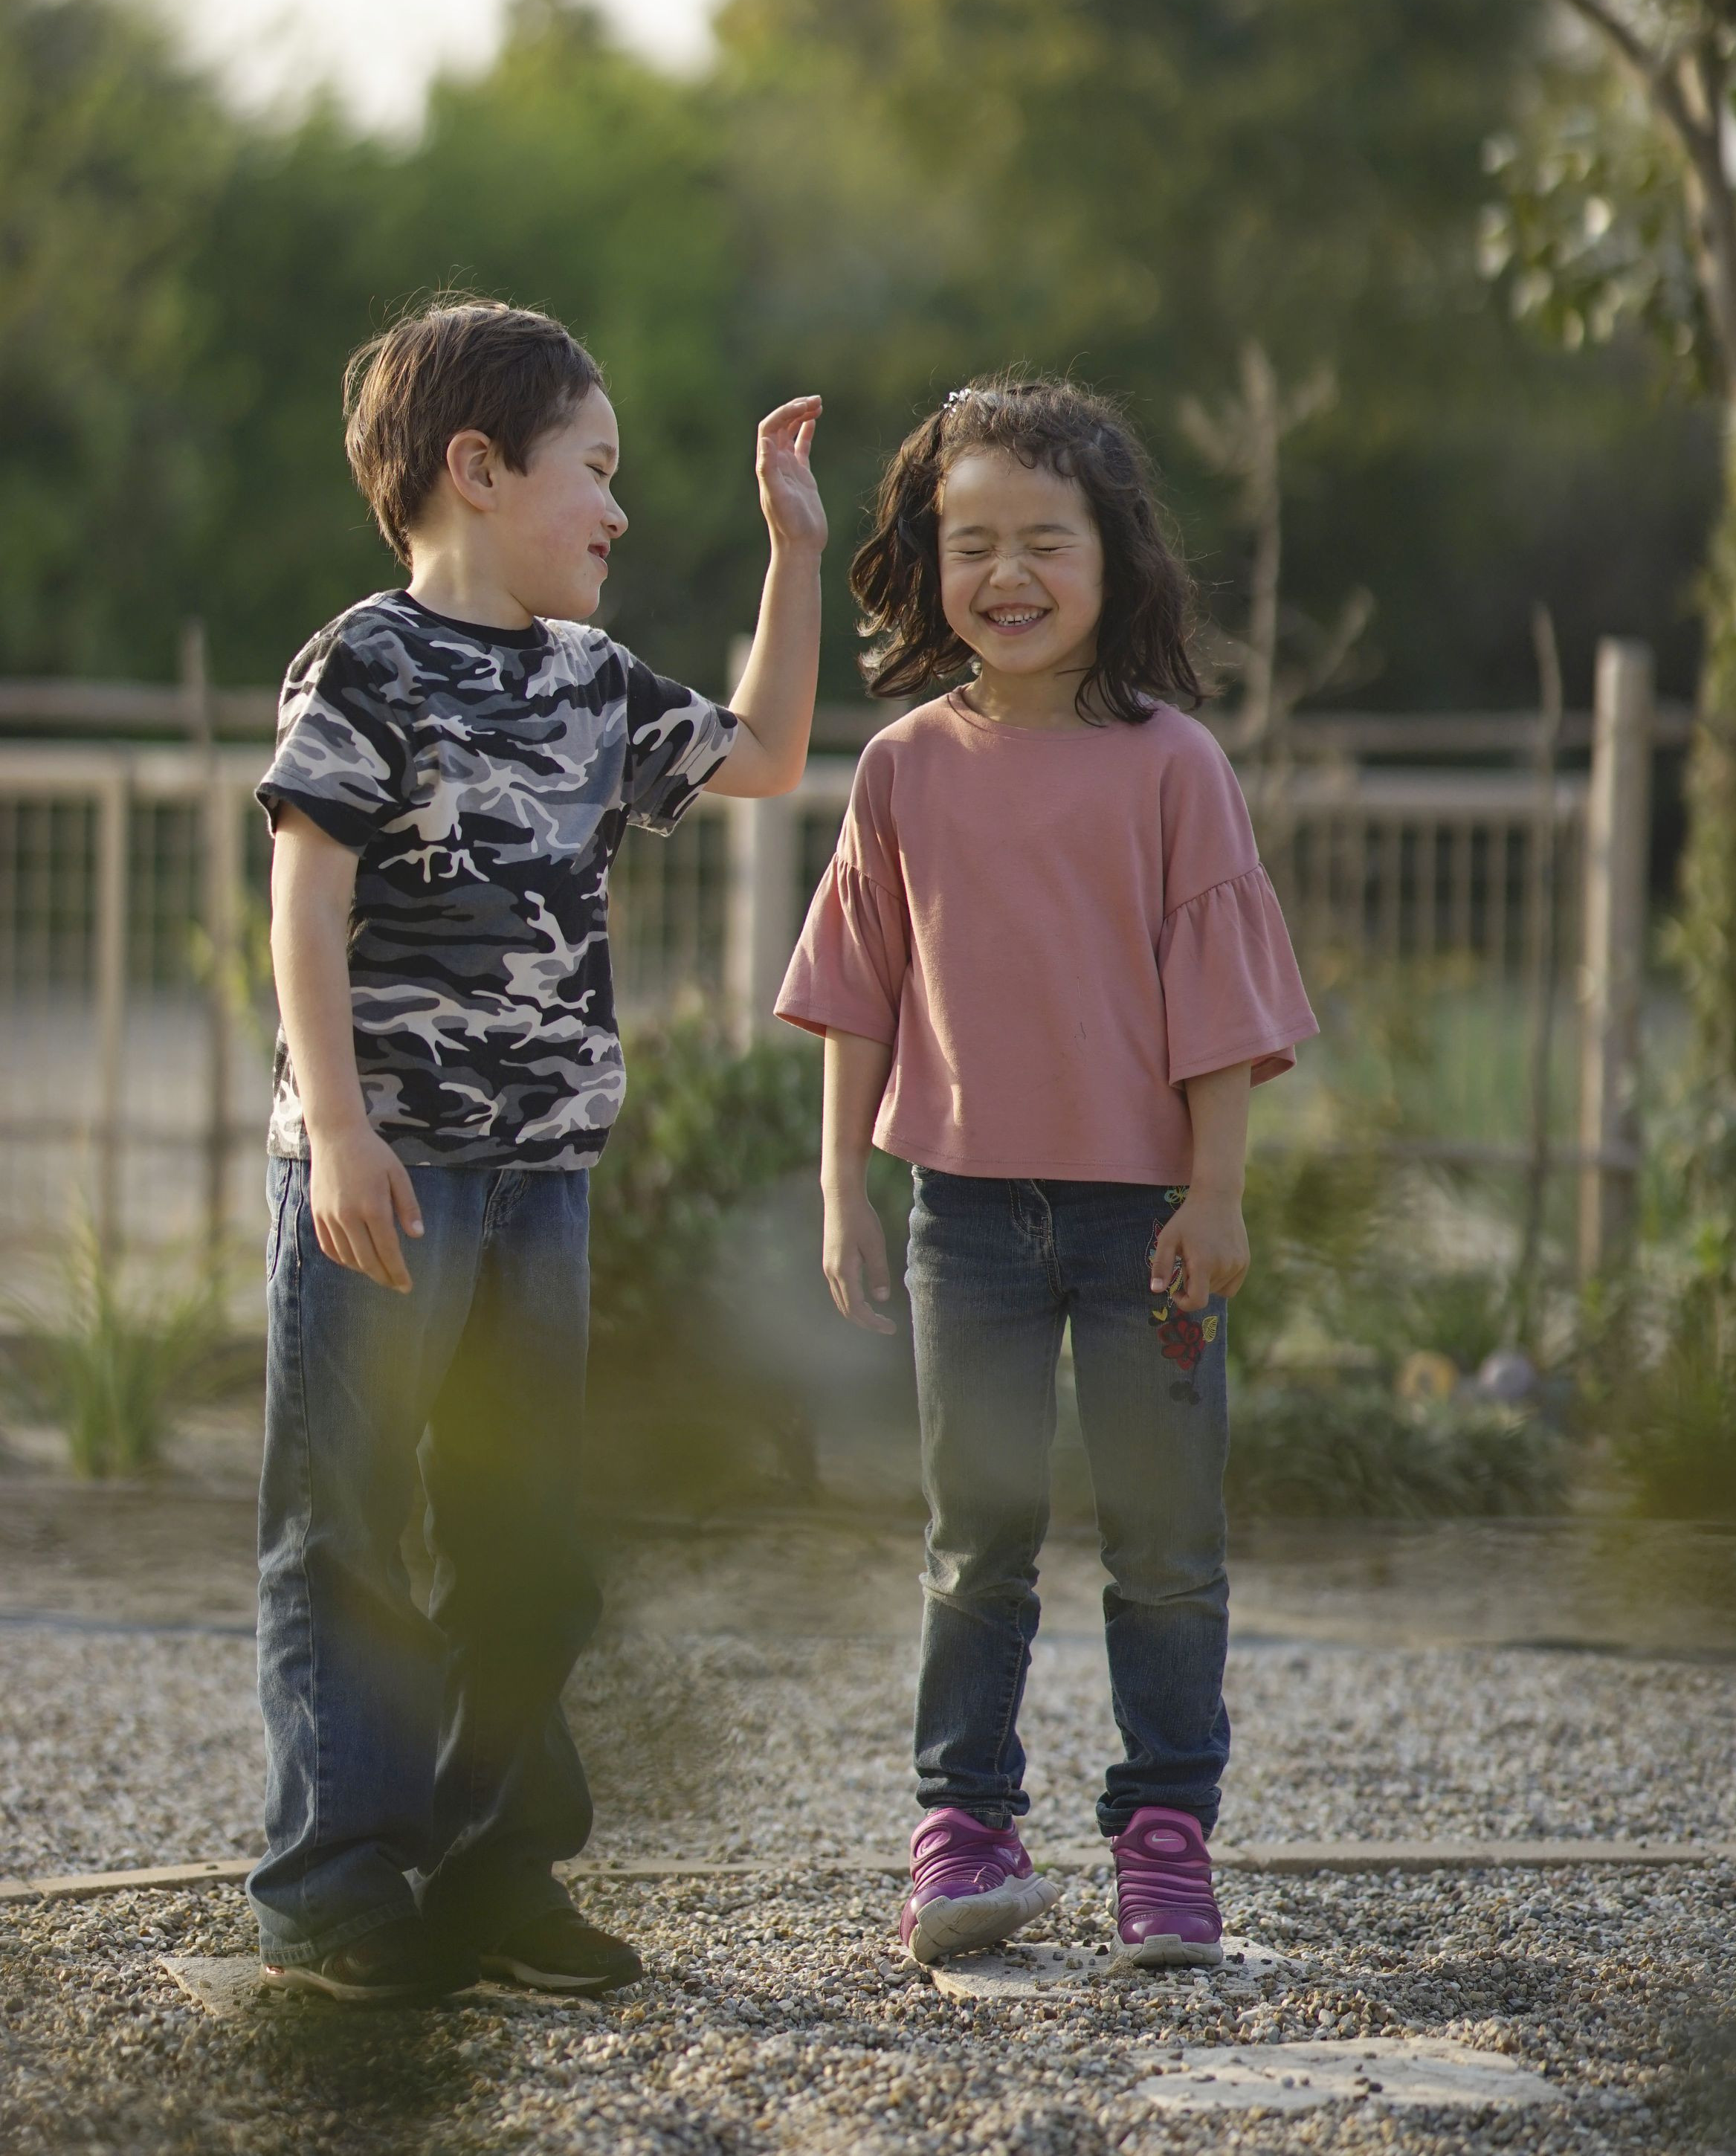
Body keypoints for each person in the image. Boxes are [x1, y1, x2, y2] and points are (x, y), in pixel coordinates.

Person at [251, 298, 825, 2005]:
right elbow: (304, 900)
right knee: (348, 1522)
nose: (618, 510)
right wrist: (338, 1130)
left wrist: (795, 554)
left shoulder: (590, 679)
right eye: (596, 468)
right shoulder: (362, 662)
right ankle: (338, 1887)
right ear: (477, 469)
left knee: (521, 1529)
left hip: (542, 1174)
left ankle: (498, 1871)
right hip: (384, 1176)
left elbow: (768, 756)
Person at [776, 376, 1316, 1968]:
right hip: (962, 1220)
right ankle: (962, 1830)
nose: (1005, 574)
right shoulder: (900, 768)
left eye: (1043, 541)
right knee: (976, 1538)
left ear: (1112, 556)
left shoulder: (1174, 766)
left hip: (1148, 1224)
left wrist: (1215, 1192)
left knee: (1164, 1546)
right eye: (972, 544)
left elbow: (1222, 1006)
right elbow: (855, 993)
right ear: (926, 563)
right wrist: (839, 1185)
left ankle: (1165, 1837)